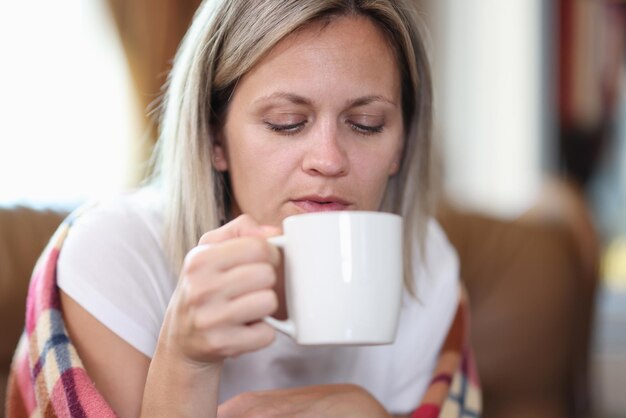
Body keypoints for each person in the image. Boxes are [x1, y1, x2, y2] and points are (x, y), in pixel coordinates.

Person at [30, 0, 463, 416]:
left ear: (402, 145)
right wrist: (185, 360)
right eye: (286, 122)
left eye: (365, 125)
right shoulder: (117, 253)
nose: (329, 159)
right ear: (214, 139)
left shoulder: (425, 263)